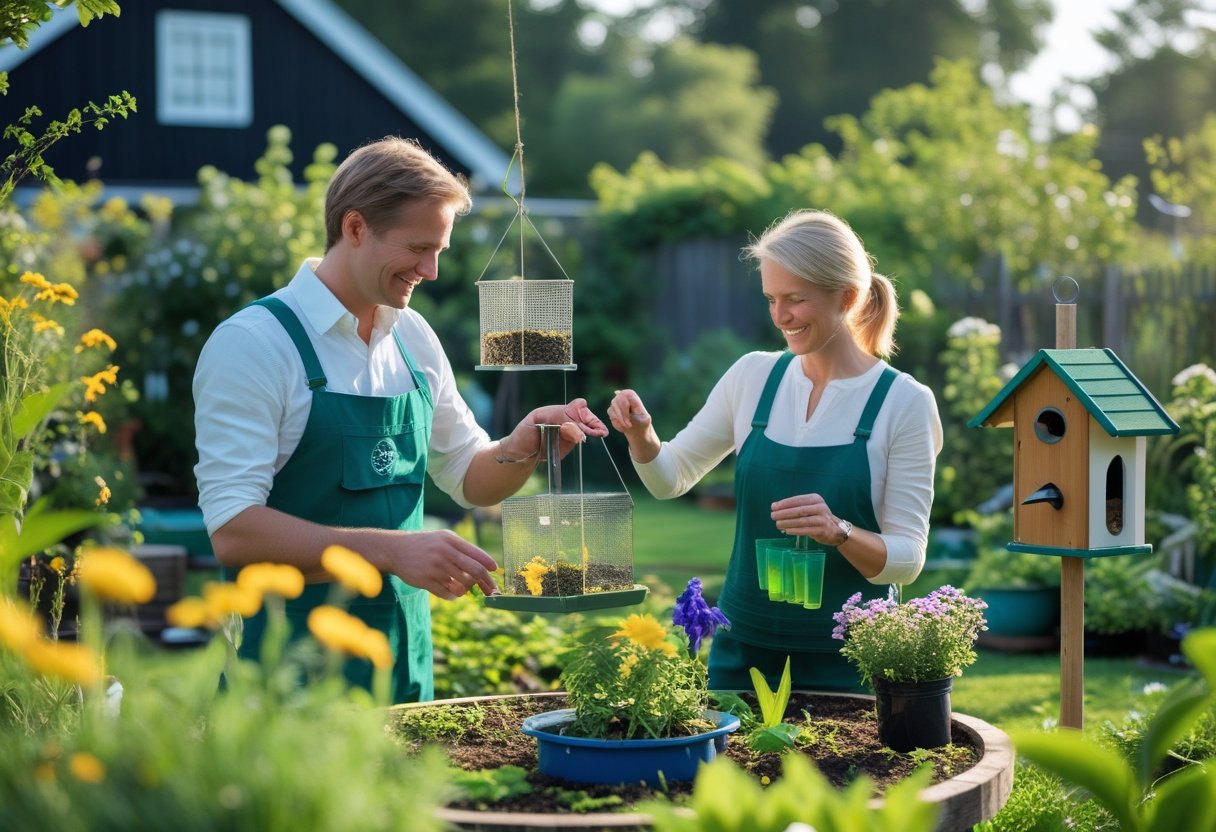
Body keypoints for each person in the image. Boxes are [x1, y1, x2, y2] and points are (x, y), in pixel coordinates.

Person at [193, 136, 606, 704]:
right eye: (418, 248)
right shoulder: (254, 343)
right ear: (356, 228)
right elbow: (234, 531)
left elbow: (468, 475)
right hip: (286, 673)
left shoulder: (411, 336)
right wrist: (392, 549)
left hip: (402, 665)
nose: (432, 271)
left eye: (439, 250)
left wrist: (525, 442)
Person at [607, 209, 942, 692]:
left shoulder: (904, 402)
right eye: (771, 299)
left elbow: (908, 559)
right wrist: (642, 437)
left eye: (795, 300)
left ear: (846, 298)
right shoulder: (753, 377)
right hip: (742, 655)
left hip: (851, 661)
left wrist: (840, 532)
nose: (779, 316)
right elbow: (670, 478)